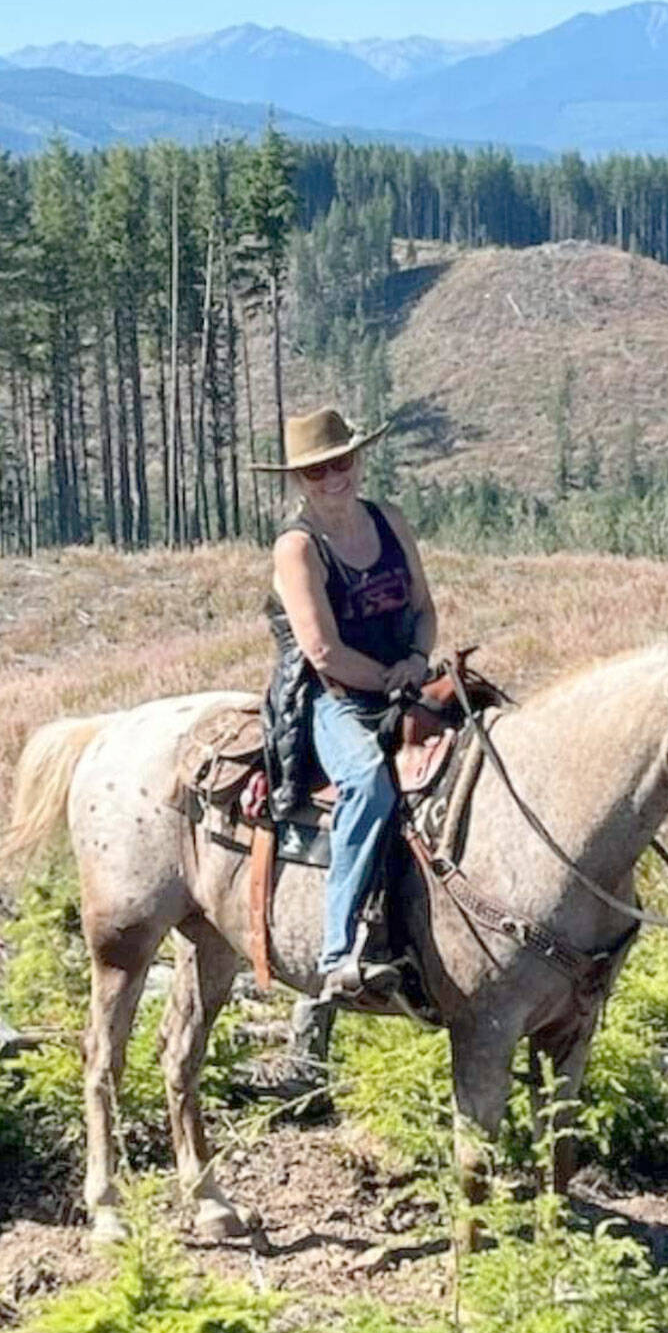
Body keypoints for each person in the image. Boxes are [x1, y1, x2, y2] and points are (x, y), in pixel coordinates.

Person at [258, 407, 437, 1001]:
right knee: (366, 782)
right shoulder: (297, 547)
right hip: (332, 696)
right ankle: (338, 948)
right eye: (318, 471)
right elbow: (323, 650)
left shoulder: (389, 519)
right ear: (298, 480)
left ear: (358, 461)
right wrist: (389, 679)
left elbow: (423, 607)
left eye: (342, 463)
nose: (334, 478)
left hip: (405, 679)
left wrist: (417, 659)